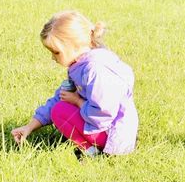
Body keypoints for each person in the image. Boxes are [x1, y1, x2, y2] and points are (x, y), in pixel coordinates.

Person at [10, 10, 138, 157]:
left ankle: (92, 152)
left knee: (60, 111)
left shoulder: (96, 70)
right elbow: (61, 96)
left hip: (115, 139)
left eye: (56, 52)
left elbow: (102, 114)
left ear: (74, 46)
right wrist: (30, 126)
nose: (53, 58)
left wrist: (77, 101)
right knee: (60, 107)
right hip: (109, 131)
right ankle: (91, 148)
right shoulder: (78, 65)